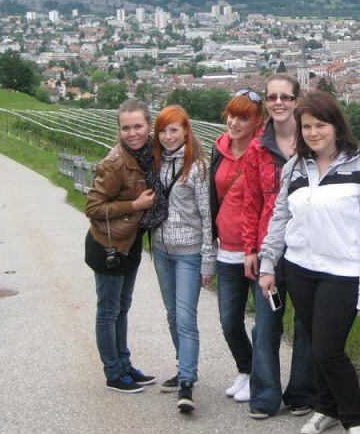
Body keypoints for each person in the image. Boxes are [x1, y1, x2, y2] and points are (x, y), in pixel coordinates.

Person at [259, 91, 360, 434]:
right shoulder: (295, 168)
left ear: (337, 126)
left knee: (329, 349)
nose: (314, 133)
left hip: (342, 274)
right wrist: (269, 264)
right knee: (316, 345)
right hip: (300, 269)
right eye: (307, 127)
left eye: (321, 125)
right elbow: (280, 219)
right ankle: (326, 407)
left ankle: (356, 418)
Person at [242, 74, 315, 419]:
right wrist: (250, 249)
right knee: (267, 323)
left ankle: (301, 392)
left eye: (285, 97)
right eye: (272, 97)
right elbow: (251, 202)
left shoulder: (313, 140)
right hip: (268, 247)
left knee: (306, 322)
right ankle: (265, 395)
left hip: (306, 246)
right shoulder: (257, 148)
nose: (279, 103)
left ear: (297, 101)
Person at [84, 98, 158, 393]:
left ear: (148, 125)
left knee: (122, 307)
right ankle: (113, 373)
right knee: (108, 310)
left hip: (129, 242)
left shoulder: (148, 155)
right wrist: (134, 205)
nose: (132, 133)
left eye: (137, 126)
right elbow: (93, 207)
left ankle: (125, 365)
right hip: (109, 246)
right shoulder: (114, 163)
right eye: (126, 128)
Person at [150, 105, 215, 414]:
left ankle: (187, 381)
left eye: (174, 130)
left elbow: (207, 216)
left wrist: (208, 259)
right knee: (172, 315)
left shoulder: (199, 168)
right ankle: (183, 366)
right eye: (162, 131)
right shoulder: (155, 164)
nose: (168, 136)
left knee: (186, 318)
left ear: (186, 132)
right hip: (161, 250)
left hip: (189, 252)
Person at [211, 89, 264, 404]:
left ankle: (261, 377)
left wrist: (255, 248)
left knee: (265, 322)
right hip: (226, 250)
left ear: (257, 121)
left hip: (257, 253)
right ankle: (246, 369)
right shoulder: (219, 148)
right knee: (229, 321)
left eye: (244, 117)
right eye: (232, 115)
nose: (234, 122)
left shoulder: (263, 151)